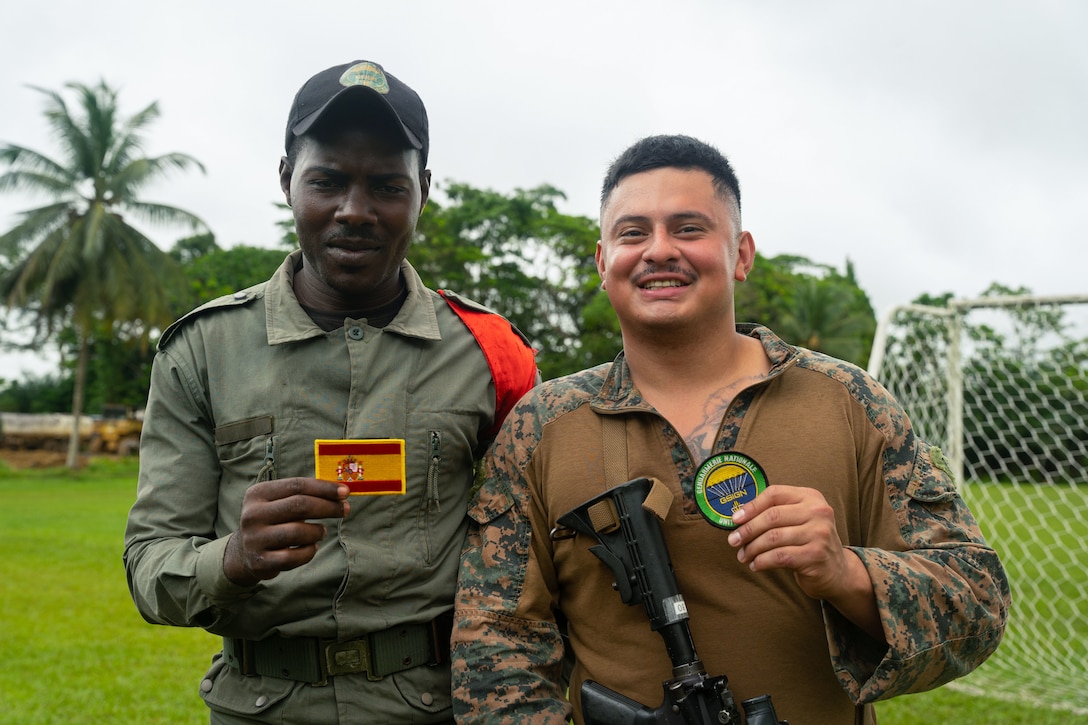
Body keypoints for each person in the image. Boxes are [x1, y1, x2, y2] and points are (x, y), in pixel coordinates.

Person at [450, 134, 1010, 724]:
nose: (659, 250)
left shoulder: (850, 403)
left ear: (741, 254)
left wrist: (846, 572)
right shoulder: (543, 427)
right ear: (602, 260)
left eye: (689, 228)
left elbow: (976, 602)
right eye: (633, 233)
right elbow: (495, 642)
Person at [123, 59, 538, 724]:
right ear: (287, 179)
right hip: (259, 705)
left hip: (435, 706)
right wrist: (233, 557)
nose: (356, 210)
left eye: (385, 185)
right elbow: (150, 568)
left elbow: (540, 548)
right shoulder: (202, 351)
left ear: (423, 190)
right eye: (328, 181)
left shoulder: (491, 352)